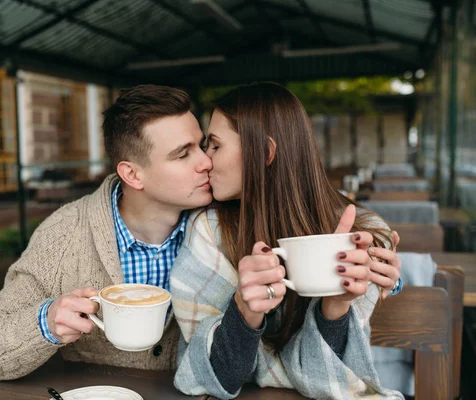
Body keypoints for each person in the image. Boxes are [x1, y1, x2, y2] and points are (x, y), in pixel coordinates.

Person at [170, 83, 403, 399]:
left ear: (265, 153)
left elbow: (325, 379)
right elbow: (218, 377)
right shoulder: (209, 230)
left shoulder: (358, 234)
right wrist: (243, 311)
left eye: (214, 145)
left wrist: (338, 300)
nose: (206, 160)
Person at [0, 85, 214, 381]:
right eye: (183, 155)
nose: (206, 162)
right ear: (133, 175)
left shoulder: (224, 230)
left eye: (203, 146)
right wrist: (47, 323)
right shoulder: (64, 233)